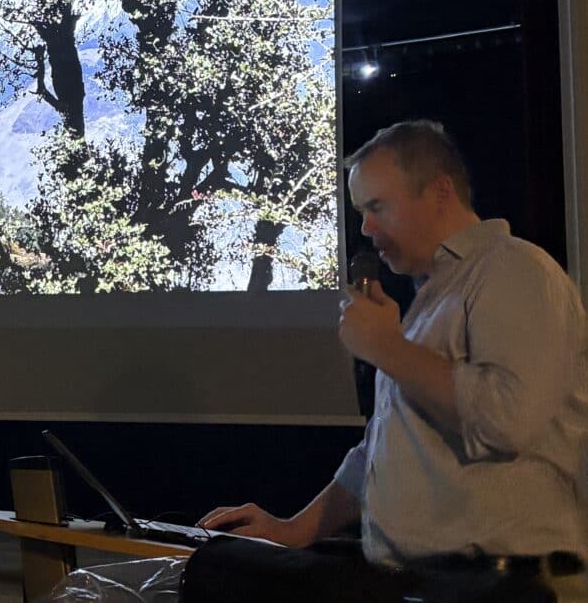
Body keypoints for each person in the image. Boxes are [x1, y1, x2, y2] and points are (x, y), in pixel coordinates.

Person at [48, 120, 588, 603]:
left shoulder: (514, 272)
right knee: (194, 571)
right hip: (417, 581)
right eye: (361, 214)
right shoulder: (430, 300)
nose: (366, 231)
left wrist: (388, 350)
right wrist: (295, 529)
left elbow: (507, 419)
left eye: (378, 208)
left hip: (505, 588)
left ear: (440, 192)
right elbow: (381, 446)